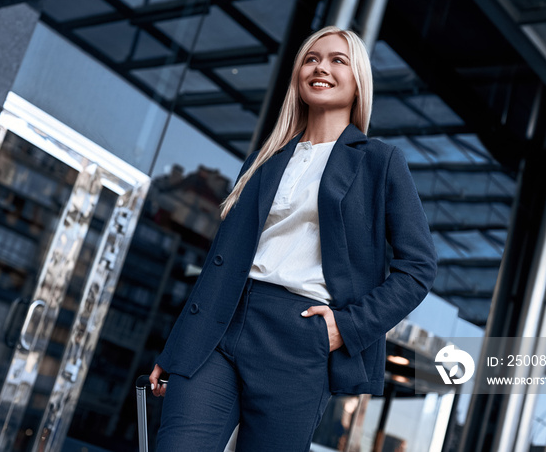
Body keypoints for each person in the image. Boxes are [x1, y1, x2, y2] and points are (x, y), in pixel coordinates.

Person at [148, 26, 437, 452]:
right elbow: (220, 262)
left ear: (358, 81)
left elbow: (418, 268)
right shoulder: (264, 159)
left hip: (300, 336)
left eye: (338, 60)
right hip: (218, 326)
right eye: (311, 58)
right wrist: (177, 348)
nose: (321, 67)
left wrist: (346, 327)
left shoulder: (379, 162)